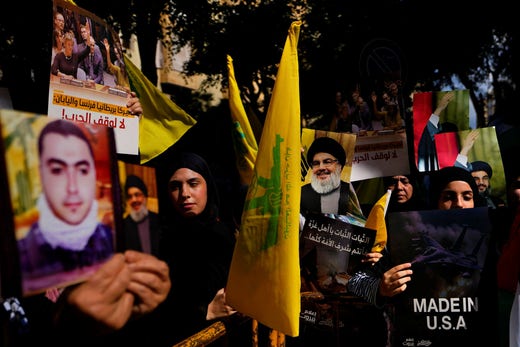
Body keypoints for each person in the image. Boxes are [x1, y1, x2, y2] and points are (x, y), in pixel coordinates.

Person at [347, 166, 489, 345]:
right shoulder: (408, 237)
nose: (459, 204)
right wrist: (380, 289)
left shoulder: (493, 239)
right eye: (448, 197)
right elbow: (355, 282)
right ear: (435, 199)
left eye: (467, 197)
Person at [152, 152, 241, 346]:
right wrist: (205, 310)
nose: (184, 194)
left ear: (207, 185)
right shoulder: (157, 241)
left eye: (193, 183)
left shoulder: (225, 235)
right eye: (175, 186)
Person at [17, 119, 113, 294]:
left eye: (82, 170)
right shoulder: (21, 260)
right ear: (41, 175)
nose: (72, 188)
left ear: (94, 175)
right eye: (57, 170)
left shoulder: (112, 242)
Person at [301, 136, 364, 220]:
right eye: (316, 163)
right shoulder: (303, 192)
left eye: (327, 162)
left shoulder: (346, 188)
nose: (321, 167)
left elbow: (359, 221)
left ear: (339, 166)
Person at [123, 174, 161, 256]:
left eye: (137, 195)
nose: (134, 200)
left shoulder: (158, 220)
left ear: (145, 196)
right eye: (130, 196)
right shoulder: (124, 225)